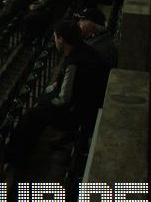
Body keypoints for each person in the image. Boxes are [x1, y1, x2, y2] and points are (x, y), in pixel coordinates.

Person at [8, 21, 108, 167]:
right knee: (39, 111)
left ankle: (15, 157)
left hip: (78, 113)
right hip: (89, 106)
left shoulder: (73, 62)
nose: (54, 40)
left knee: (32, 114)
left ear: (61, 40)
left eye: (55, 36)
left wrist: (44, 101)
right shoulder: (85, 50)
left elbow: (63, 99)